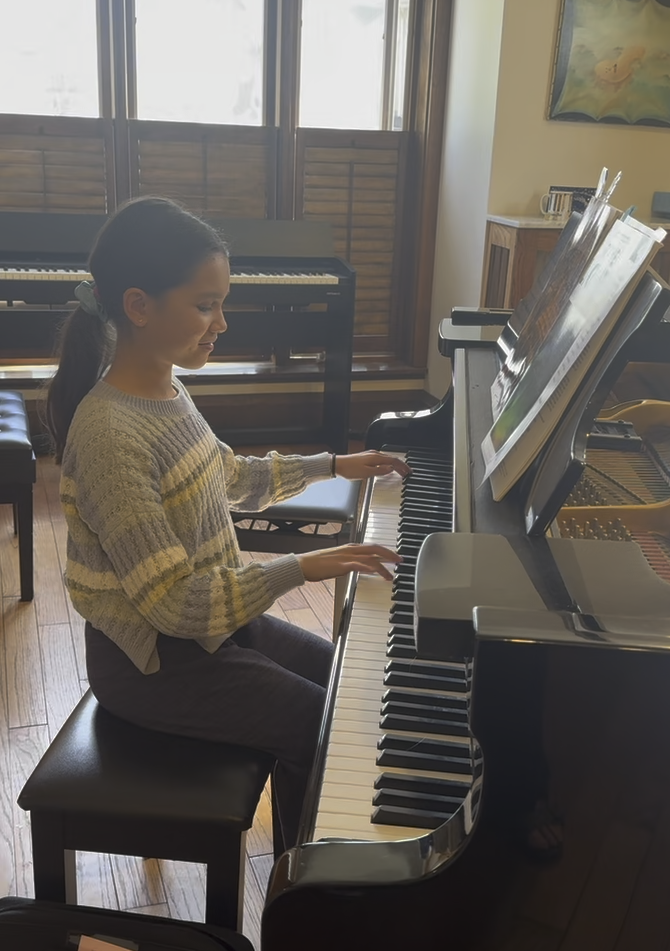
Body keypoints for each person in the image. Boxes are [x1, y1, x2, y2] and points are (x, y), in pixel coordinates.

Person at [45, 196, 408, 854]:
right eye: (206, 304)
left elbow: (229, 475)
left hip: (212, 628)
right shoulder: (108, 436)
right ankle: (305, 896)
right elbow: (174, 606)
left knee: (349, 676)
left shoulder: (166, 388)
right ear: (138, 306)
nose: (223, 323)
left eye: (223, 303)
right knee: (314, 722)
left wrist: (337, 464)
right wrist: (306, 566)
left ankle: (340, 857)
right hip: (153, 663)